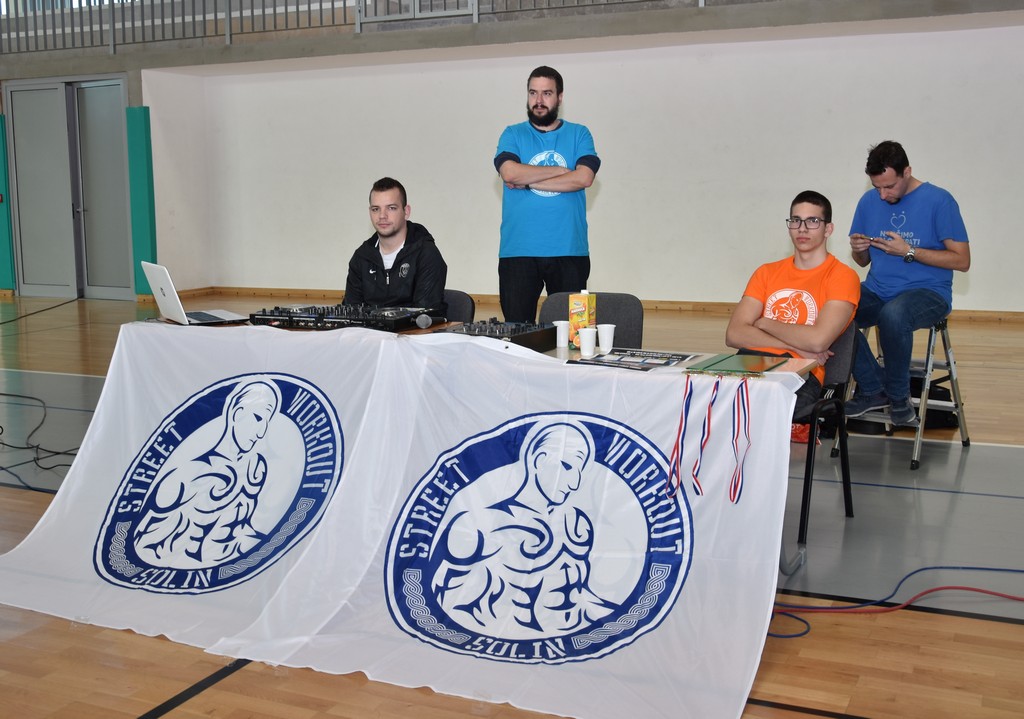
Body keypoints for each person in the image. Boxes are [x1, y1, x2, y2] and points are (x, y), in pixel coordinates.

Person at [429, 420, 613, 635]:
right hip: (485, 639)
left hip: (562, 640)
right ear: (539, 460)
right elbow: (441, 598)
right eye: (567, 466)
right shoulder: (477, 523)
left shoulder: (576, 525)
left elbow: (581, 597)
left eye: (580, 471)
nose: (575, 483)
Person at [845, 141, 970, 427]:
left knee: (894, 315)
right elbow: (862, 261)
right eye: (877, 187)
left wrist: (909, 251)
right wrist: (858, 248)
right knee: (834, 308)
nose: (883, 194)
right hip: (878, 290)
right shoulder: (868, 202)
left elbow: (962, 260)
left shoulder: (940, 201)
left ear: (907, 172)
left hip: (929, 293)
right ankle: (873, 387)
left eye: (889, 186)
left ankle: (899, 397)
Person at [726, 190, 860, 424]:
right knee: (705, 401)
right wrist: (793, 344)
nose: (802, 228)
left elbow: (817, 342)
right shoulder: (766, 272)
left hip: (800, 371)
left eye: (813, 221)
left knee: (758, 414)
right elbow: (734, 334)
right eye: (796, 220)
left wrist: (764, 323)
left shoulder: (842, 276)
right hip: (749, 361)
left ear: (828, 229)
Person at [494, 66, 601, 322]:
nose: (539, 100)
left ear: (560, 97)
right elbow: (509, 173)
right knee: (516, 335)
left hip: (570, 251)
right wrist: (560, 171)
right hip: (518, 252)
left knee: (576, 334)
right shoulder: (512, 133)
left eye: (547, 93)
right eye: (533, 93)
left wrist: (529, 181)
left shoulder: (579, 133)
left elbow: (584, 178)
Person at [343, 177, 447, 311]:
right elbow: (351, 312)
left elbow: (424, 315)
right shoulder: (361, 257)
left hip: (412, 326)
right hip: (369, 325)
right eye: (375, 209)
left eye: (391, 208)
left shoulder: (426, 254)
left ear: (406, 212)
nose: (382, 215)